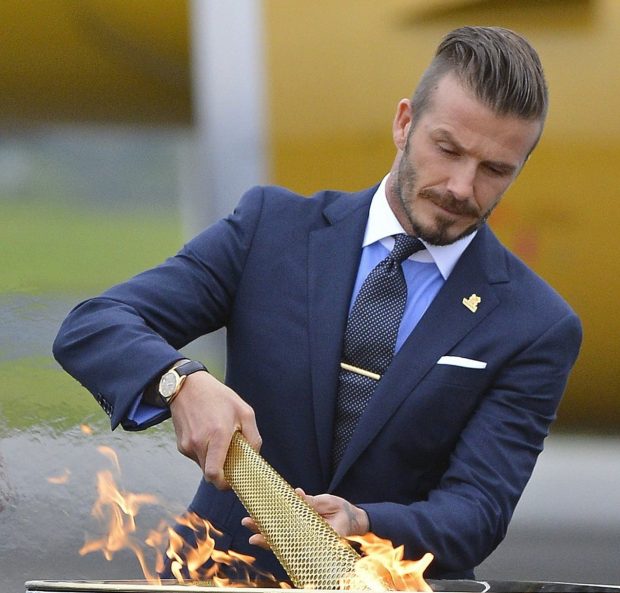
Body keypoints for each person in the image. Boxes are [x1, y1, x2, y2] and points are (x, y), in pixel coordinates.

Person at [53, 26, 582, 581]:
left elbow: (477, 512)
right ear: (404, 123)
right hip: (216, 577)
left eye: (495, 169)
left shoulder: (536, 325)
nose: (460, 185)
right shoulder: (270, 229)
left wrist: (364, 521)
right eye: (447, 149)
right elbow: (95, 326)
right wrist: (179, 380)